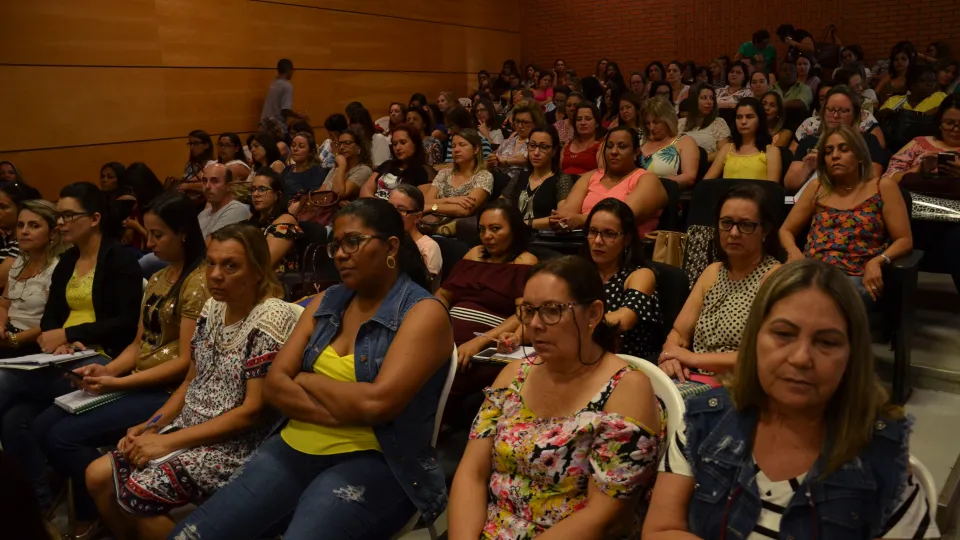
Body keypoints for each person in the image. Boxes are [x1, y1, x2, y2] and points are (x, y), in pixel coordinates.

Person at [166, 199, 453, 539]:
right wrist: (351, 408)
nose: (342, 254)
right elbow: (274, 386)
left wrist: (304, 380)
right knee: (190, 536)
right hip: (290, 448)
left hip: (376, 462)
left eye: (353, 242)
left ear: (391, 245)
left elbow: (378, 405)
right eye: (336, 245)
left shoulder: (423, 313)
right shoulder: (325, 301)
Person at [644, 259, 940, 540]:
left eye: (826, 342)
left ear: (852, 356)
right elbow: (661, 529)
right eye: (784, 334)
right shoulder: (704, 421)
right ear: (754, 339)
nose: (801, 358)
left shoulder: (880, 461)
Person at [85, 224, 299, 539]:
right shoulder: (213, 307)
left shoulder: (269, 319)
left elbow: (252, 411)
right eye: (210, 263)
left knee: (136, 495)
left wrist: (167, 442)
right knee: (96, 476)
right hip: (190, 425)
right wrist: (153, 425)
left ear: (257, 272)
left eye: (230, 266)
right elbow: (191, 379)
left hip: (234, 443)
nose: (215, 274)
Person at [449, 254, 664, 539]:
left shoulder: (626, 389)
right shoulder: (514, 374)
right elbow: (471, 474)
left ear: (594, 314)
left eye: (551, 310)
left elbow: (604, 516)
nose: (535, 324)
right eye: (528, 310)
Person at [32, 192, 208, 538]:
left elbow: (186, 363)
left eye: (159, 235)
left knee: (62, 437)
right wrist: (107, 371)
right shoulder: (159, 279)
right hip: (138, 379)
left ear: (184, 233)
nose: (150, 242)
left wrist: (119, 383)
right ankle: (97, 506)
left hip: (168, 390)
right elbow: (138, 344)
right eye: (150, 233)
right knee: (41, 426)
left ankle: (108, 505)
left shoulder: (198, 281)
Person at [0, 183, 142, 511]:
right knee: (14, 419)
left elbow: (125, 321)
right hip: (62, 357)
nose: (60, 222)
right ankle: (39, 503)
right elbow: (50, 320)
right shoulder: (68, 262)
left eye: (67, 215)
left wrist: (69, 333)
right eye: (59, 214)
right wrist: (58, 339)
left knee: (4, 381)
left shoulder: (119, 259)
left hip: (104, 357)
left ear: (93, 218)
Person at [659, 184, 781, 381]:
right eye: (726, 223)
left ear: (765, 231)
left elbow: (763, 355)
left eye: (746, 225)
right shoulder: (712, 272)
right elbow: (678, 333)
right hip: (695, 378)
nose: (733, 233)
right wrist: (670, 356)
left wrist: (691, 358)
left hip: (742, 384)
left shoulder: (775, 277)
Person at [780, 126, 913, 305]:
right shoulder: (817, 187)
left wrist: (878, 261)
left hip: (856, 276)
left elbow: (904, 240)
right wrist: (794, 253)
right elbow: (786, 230)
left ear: (859, 156)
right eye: (828, 151)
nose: (835, 155)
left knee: (823, 300)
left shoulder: (883, 186)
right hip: (813, 271)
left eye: (844, 149)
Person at [437, 200, 536, 374]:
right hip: (445, 341)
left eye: (495, 229)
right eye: (482, 229)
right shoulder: (474, 254)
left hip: (486, 349)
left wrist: (480, 342)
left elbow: (524, 314)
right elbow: (443, 296)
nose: (487, 236)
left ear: (514, 230)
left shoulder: (525, 261)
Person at [883, 95, 960, 290]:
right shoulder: (919, 143)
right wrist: (919, 170)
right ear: (940, 122)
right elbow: (888, 179)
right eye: (950, 123)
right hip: (912, 215)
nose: (955, 129)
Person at [585, 198, 664, 359]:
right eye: (593, 231)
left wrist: (574, 326)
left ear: (626, 239)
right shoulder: (581, 273)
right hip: (584, 360)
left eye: (609, 234)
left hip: (630, 365)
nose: (598, 241)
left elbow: (625, 319)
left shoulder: (641, 274)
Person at [556, 126, 668, 235]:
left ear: (636, 152)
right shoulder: (591, 176)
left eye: (622, 146)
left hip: (627, 248)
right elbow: (565, 215)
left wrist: (581, 220)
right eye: (609, 146)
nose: (613, 151)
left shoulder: (648, 179)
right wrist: (542, 222)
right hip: (581, 243)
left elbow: (623, 218)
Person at [784, 86, 886, 194]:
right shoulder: (810, 141)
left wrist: (827, 165)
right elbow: (789, 184)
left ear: (855, 114)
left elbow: (873, 178)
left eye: (843, 111)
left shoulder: (867, 140)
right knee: (783, 200)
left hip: (851, 197)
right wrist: (807, 168)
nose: (835, 115)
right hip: (808, 198)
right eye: (831, 110)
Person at [0, 200, 65, 357]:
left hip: (35, 343)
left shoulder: (58, 268)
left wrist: (14, 340)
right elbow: (4, 305)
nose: (24, 231)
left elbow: (53, 322)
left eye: (34, 226)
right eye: (20, 225)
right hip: (8, 334)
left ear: (53, 232)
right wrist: (0, 325)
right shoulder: (20, 261)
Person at [501, 126, 574, 230]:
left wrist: (520, 225)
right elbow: (499, 207)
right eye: (532, 145)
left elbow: (561, 219)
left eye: (543, 147)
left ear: (554, 151)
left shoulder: (561, 179)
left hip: (542, 240)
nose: (536, 152)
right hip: (513, 238)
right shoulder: (520, 177)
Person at [705, 98, 782, 181]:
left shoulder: (772, 151)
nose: (743, 122)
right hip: (727, 193)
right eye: (739, 117)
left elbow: (772, 189)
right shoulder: (727, 148)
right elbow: (706, 183)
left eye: (749, 117)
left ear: (760, 120)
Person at [424, 129, 494, 218]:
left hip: (462, 226)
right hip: (433, 220)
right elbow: (426, 201)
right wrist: (452, 200)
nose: (456, 150)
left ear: (476, 149)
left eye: (462, 145)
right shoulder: (444, 173)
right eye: (453, 146)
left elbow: (464, 210)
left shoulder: (484, 176)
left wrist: (432, 207)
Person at [249, 168, 302, 273]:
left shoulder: (287, 220)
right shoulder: (252, 219)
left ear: (278, 195)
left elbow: (264, 263)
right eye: (253, 189)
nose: (255, 194)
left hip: (280, 283)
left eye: (262, 189)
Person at [638, 98, 700, 188]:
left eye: (656, 122)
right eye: (648, 123)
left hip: (665, 194)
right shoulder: (641, 142)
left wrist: (655, 183)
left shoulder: (685, 142)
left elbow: (689, 177)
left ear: (668, 120)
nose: (651, 127)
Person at [360, 124, 433, 200]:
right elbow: (366, 189)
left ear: (415, 144)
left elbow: (421, 202)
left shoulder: (422, 171)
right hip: (373, 206)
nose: (398, 148)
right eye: (395, 144)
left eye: (403, 142)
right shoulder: (387, 164)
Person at [389, 183, 442, 281]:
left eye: (401, 209)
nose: (393, 213)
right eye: (390, 207)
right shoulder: (382, 238)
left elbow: (423, 285)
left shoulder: (429, 247)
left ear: (417, 217)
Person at [488, 102, 542, 183]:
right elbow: (496, 159)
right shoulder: (508, 141)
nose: (520, 126)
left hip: (522, 183)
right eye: (517, 121)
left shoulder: (538, 142)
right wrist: (493, 160)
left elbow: (526, 159)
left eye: (525, 122)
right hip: (499, 180)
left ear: (535, 123)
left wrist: (505, 160)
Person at [198, 162, 251, 241]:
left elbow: (212, 247)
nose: (207, 186)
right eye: (205, 181)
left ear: (229, 186)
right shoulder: (203, 214)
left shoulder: (236, 209)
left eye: (214, 181)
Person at [319, 126, 373, 203]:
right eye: (339, 144)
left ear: (359, 147)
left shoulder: (364, 170)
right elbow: (320, 192)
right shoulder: (335, 169)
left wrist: (342, 166)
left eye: (347, 143)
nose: (341, 147)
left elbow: (338, 194)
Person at [679, 83, 731, 161]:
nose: (709, 102)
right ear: (694, 100)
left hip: (707, 167)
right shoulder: (680, 123)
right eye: (704, 98)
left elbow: (724, 153)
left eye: (712, 98)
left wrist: (696, 160)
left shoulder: (718, 123)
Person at [878, 65, 947, 115]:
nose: (930, 84)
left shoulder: (941, 97)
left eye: (933, 81)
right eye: (925, 81)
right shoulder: (894, 101)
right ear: (912, 84)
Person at [561, 102, 604, 175]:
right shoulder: (567, 145)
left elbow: (601, 172)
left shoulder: (601, 146)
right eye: (579, 119)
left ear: (597, 123)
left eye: (588, 119)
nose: (582, 123)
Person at [261, 58, 294, 127]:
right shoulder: (287, 86)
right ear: (289, 70)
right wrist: (298, 116)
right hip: (275, 127)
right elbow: (285, 110)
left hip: (264, 124)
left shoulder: (273, 84)